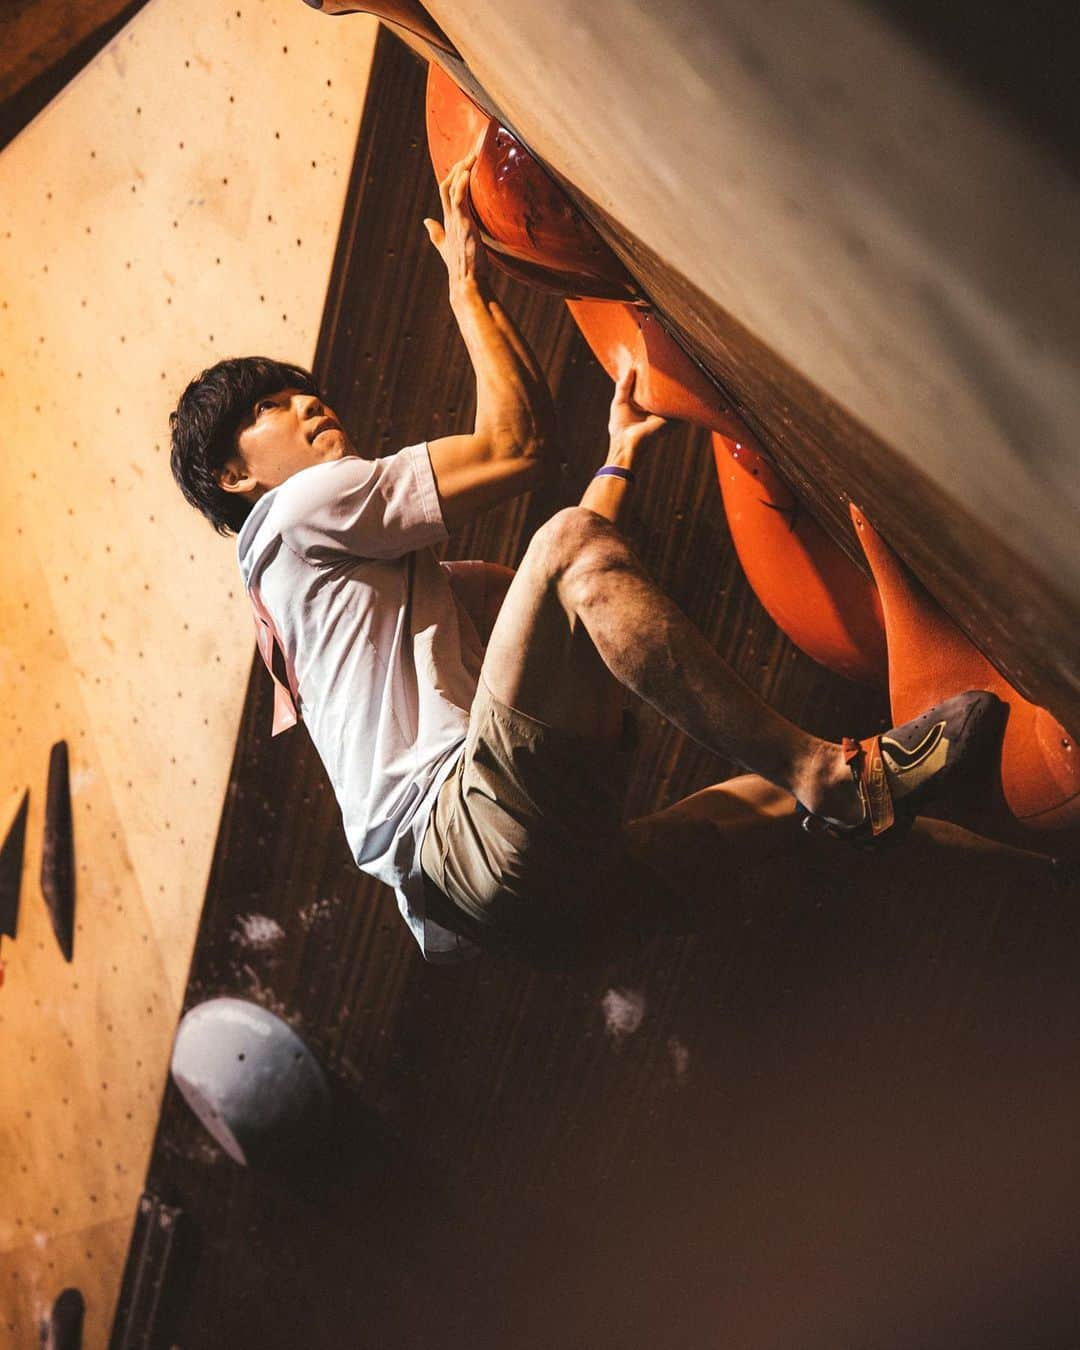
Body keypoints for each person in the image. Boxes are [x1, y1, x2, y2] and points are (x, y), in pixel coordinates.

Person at [169, 154, 999, 962]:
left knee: (763, 821)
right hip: (463, 833)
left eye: (298, 389)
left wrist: (616, 462)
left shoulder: (321, 600)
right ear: (234, 475)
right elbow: (518, 448)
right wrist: (466, 285)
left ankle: (1015, 855)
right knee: (564, 554)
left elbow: (562, 611)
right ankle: (832, 776)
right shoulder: (296, 513)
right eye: (270, 407)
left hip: (483, 916)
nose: (308, 400)